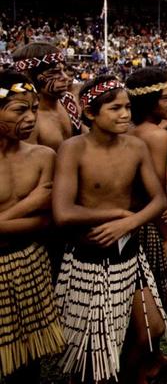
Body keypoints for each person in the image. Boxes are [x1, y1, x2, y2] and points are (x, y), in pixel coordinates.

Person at [52, 75, 167, 383]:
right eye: (115, 108)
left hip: (129, 252)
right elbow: (63, 212)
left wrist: (128, 222)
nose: (125, 115)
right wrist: (118, 213)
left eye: (128, 107)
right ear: (90, 113)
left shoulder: (136, 147)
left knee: (152, 330)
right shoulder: (72, 149)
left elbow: (159, 200)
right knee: (94, 347)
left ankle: (129, 373)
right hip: (90, 257)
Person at [0, 70, 64, 383]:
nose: (30, 118)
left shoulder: (43, 156)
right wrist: (31, 204)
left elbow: (49, 219)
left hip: (29, 263)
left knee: (29, 355)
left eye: (34, 109)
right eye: (19, 110)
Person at [126, 67, 167, 375]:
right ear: (149, 101)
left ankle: (153, 357)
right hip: (148, 222)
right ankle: (142, 365)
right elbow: (156, 187)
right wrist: (164, 232)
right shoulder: (157, 136)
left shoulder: (130, 131)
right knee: (155, 292)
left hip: (135, 218)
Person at [12, 43, 78, 151]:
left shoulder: (69, 101)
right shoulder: (26, 120)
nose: (65, 78)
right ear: (31, 77)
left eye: (63, 70)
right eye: (55, 72)